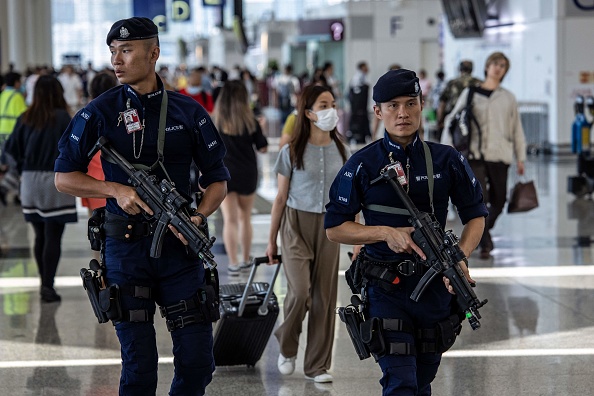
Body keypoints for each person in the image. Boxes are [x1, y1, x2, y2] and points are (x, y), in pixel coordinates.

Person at [54, 17, 230, 395]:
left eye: (127, 50)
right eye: (113, 51)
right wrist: (114, 189)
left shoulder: (189, 111)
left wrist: (198, 216)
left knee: (198, 362)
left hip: (180, 252)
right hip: (126, 252)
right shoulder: (99, 111)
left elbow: (218, 180)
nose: (116, 60)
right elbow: (64, 176)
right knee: (139, 367)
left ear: (154, 53)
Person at [324, 69, 487, 395]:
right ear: (378, 111)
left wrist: (460, 257)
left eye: (410, 103)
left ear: (421, 104)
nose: (403, 113)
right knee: (401, 383)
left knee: (422, 381)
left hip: (436, 289)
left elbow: (476, 216)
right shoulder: (362, 164)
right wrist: (383, 233)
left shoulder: (447, 159)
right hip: (386, 289)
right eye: (393, 105)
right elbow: (334, 227)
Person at [265, 84, 350, 384]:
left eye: (332, 104)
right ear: (309, 112)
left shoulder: (343, 150)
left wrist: (358, 237)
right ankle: (287, 346)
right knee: (300, 292)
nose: (331, 110)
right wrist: (271, 239)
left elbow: (350, 197)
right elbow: (279, 197)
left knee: (324, 297)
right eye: (324, 105)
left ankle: (317, 366)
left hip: (331, 227)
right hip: (295, 225)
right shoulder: (292, 150)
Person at [443, 52, 526, 259]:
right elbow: (451, 120)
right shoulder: (470, 93)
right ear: (487, 67)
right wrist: (449, 150)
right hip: (475, 154)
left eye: (503, 65)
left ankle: (482, 232)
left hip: (500, 154)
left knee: (499, 200)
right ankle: (485, 241)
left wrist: (521, 157)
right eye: (495, 64)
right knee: (481, 199)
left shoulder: (508, 97)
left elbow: (516, 128)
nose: (498, 68)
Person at [3, 75, 78, 302]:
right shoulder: (63, 117)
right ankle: (48, 285)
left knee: (39, 236)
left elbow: (10, 150)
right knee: (54, 235)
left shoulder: (26, 117)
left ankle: (43, 282)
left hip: (30, 182)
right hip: (56, 181)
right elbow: (76, 149)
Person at [212, 80, 268, 275]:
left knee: (230, 220)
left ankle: (233, 263)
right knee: (245, 218)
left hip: (225, 174)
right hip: (247, 173)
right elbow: (263, 147)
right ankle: (245, 259)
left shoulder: (215, 121)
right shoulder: (250, 120)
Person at [80, 71, 118, 215]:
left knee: (96, 227)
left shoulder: (84, 116)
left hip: (92, 181)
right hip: (118, 182)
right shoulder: (123, 113)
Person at [0, 72, 28, 205]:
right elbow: (24, 116)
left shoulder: (3, 94)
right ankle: (5, 189)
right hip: (12, 135)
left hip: (2, 133)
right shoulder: (17, 96)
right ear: (16, 82)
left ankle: (16, 192)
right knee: (16, 166)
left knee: (10, 164)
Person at [436, 60, 481, 137]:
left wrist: (440, 120)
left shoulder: (452, 83)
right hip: (473, 120)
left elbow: (442, 103)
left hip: (454, 120)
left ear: (459, 69)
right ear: (472, 69)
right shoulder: (478, 83)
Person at [347, 61, 371, 144]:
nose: (368, 69)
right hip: (358, 108)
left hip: (363, 108)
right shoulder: (358, 78)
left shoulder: (363, 77)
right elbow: (355, 95)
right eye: (365, 67)